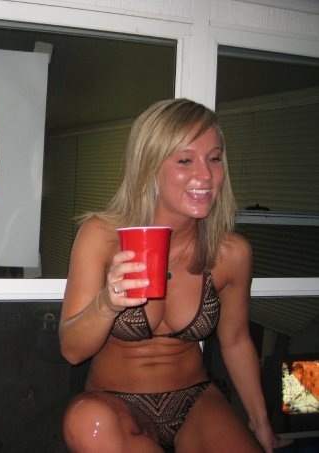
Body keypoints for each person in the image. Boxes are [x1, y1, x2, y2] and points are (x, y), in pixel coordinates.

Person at [59, 98, 283, 452]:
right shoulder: (101, 236)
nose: (205, 175)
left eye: (214, 158)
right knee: (86, 421)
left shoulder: (231, 253)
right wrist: (106, 304)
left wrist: (261, 423)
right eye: (185, 160)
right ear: (149, 165)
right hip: (114, 404)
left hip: (194, 400)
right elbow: (72, 351)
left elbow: (236, 341)